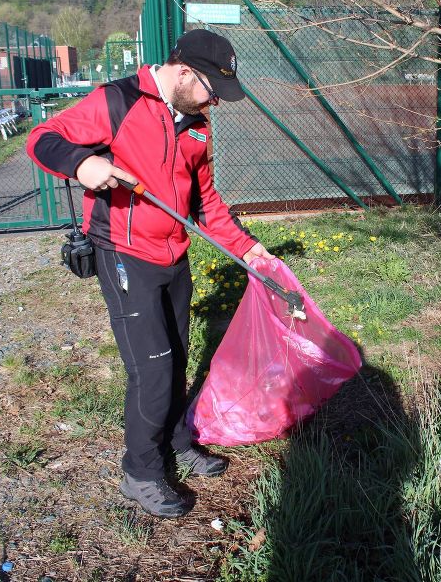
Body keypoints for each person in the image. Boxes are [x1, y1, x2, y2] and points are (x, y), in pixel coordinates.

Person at [26, 29, 274, 518]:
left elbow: (205, 202)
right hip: (124, 252)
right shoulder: (116, 101)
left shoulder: (197, 125)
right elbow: (42, 139)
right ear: (184, 72)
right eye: (211, 89)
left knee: (179, 354)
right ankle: (140, 472)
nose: (216, 103)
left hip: (174, 254)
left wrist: (250, 251)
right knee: (153, 369)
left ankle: (178, 441)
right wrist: (82, 163)